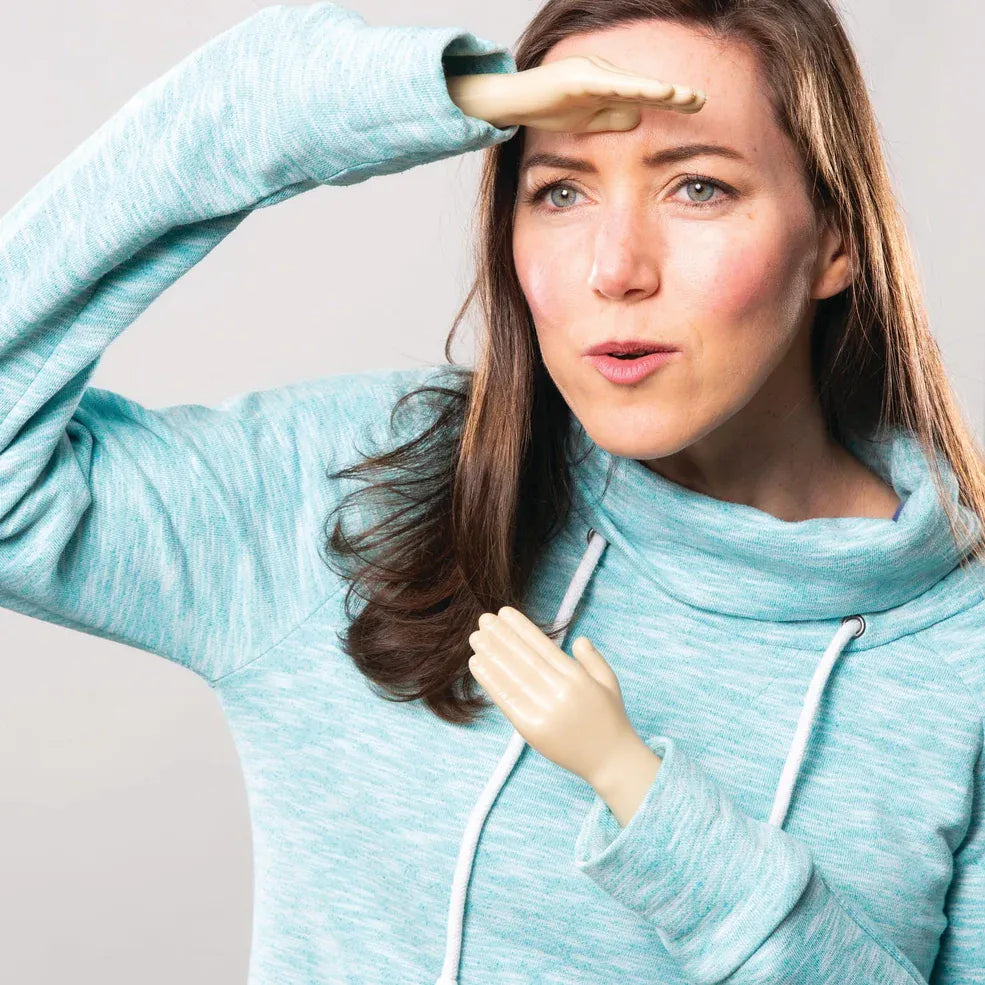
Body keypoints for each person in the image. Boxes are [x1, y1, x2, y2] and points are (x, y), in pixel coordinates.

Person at [0, 0, 982, 982]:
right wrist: (423, 97)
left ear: (835, 239)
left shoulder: (961, 653)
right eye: (560, 191)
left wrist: (652, 808)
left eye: (697, 187)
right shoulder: (369, 492)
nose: (614, 268)